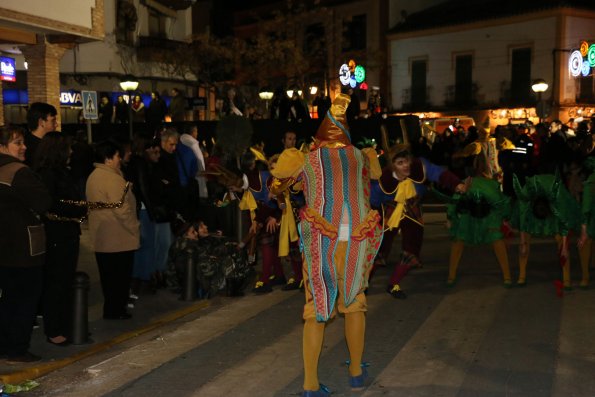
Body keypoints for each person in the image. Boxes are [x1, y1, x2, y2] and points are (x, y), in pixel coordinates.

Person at [270, 94, 383, 395]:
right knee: (354, 304)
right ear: (346, 134)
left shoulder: (306, 159)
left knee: (316, 308)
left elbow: (281, 186)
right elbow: (371, 188)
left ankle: (310, 386)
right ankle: (356, 373)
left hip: (322, 240)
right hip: (355, 238)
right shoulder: (361, 157)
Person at [370, 142, 466, 299]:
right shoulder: (382, 181)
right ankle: (362, 286)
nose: (406, 166)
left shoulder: (419, 167)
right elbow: (372, 203)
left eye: (406, 161)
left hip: (412, 211)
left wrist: (457, 184)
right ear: (392, 165)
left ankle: (393, 284)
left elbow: (439, 173)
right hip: (389, 212)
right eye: (400, 163)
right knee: (377, 250)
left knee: (412, 249)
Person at [0, 125, 52, 363]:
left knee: (7, 298)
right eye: (17, 143)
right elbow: (43, 202)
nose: (24, 147)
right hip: (23, 248)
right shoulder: (19, 172)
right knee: (23, 299)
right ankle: (17, 349)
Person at [32, 132, 87, 346]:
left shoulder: (63, 172)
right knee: (57, 282)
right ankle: (54, 329)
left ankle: (64, 325)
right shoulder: (48, 175)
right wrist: (77, 208)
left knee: (64, 282)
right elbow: (51, 204)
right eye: (68, 148)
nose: (71, 152)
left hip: (67, 232)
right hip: (57, 234)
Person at [86, 140, 140, 320]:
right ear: (108, 158)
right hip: (118, 237)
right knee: (119, 278)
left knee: (109, 278)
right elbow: (122, 209)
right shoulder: (111, 178)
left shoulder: (94, 176)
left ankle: (112, 309)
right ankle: (116, 311)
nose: (120, 159)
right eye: (117, 156)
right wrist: (135, 227)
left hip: (103, 236)